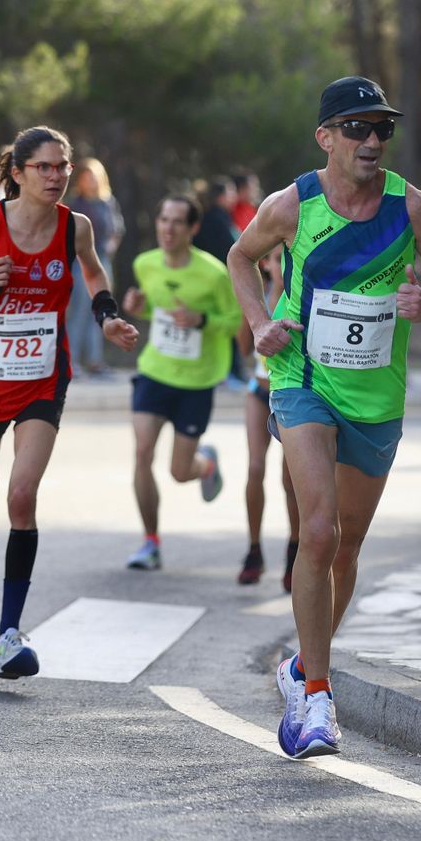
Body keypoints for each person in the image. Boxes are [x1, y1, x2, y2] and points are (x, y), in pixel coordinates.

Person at [227, 75, 421, 759]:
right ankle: (315, 695)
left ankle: (300, 663)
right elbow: (240, 257)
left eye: (382, 129)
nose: (372, 141)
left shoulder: (410, 207)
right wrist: (259, 322)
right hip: (304, 379)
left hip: (376, 395)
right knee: (317, 528)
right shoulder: (293, 204)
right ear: (326, 137)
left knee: (347, 545)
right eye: (358, 128)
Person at [0, 126, 138, 679]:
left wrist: (107, 315)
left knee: (21, 495)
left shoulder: (76, 227)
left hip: (43, 376)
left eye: (62, 166)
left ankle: (9, 636)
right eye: (44, 167)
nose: (56, 176)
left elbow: (91, 270)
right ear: (17, 172)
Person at [121, 193, 242, 571]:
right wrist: (139, 309)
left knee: (178, 471)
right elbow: (157, 311)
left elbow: (236, 320)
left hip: (197, 379)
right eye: (163, 220)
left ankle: (205, 464)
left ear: (192, 229)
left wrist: (203, 320)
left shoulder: (214, 274)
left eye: (177, 222)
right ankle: (150, 542)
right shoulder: (145, 264)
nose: (168, 229)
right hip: (155, 371)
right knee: (142, 453)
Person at [238, 250, 300, 589]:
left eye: (287, 258)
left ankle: (294, 549)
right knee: (254, 468)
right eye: (276, 258)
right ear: (265, 264)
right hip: (259, 391)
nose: (282, 265)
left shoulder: (300, 296)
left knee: (290, 480)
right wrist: (250, 315)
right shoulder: (257, 298)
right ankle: (253, 549)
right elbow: (244, 347)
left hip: (292, 398)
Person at [65, 157, 124, 376]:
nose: (89, 181)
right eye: (85, 176)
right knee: (79, 310)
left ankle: (95, 361)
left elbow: (117, 229)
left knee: (102, 309)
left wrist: (111, 245)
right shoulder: (74, 204)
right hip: (81, 261)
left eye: (92, 176)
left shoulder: (108, 202)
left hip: (103, 259)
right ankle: (72, 361)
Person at [193, 177, 239, 265]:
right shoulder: (216, 219)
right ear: (220, 197)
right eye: (231, 193)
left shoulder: (219, 216)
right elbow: (229, 247)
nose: (235, 197)